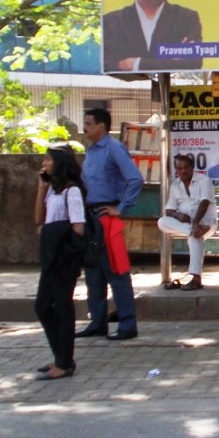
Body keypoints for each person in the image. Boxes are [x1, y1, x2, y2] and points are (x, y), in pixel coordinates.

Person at [77, 108, 144, 341]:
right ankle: (97, 322)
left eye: (88, 123)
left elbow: (135, 178)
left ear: (101, 126)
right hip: (91, 215)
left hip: (107, 215)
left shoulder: (114, 148)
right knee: (94, 271)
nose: (84, 127)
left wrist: (121, 207)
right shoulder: (91, 151)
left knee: (116, 270)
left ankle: (127, 324)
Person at [33, 144, 86, 381]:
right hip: (50, 255)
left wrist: (66, 252)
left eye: (48, 160)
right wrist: (41, 188)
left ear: (59, 163)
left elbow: (78, 226)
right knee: (43, 306)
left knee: (63, 307)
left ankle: (64, 363)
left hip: (63, 256)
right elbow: (38, 220)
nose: (44, 164)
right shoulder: (53, 191)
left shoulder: (71, 191)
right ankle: (60, 355)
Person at [157, 153, 216, 291]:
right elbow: (169, 210)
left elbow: (205, 202)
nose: (183, 171)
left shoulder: (204, 180)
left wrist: (196, 223)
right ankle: (192, 231)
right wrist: (178, 215)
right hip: (187, 226)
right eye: (179, 168)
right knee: (162, 222)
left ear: (192, 167)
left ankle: (196, 278)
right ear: (176, 170)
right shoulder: (175, 185)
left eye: (186, 167)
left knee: (195, 237)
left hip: (207, 223)